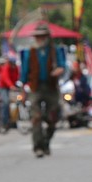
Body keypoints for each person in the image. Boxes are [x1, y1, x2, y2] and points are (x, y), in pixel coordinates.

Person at [19, 22, 67, 158]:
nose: (39, 39)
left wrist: (59, 70)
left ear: (47, 37)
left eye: (42, 36)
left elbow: (63, 66)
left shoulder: (55, 50)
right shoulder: (30, 52)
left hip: (51, 87)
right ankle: (38, 147)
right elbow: (24, 73)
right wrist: (22, 90)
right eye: (37, 37)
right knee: (36, 117)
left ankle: (46, 142)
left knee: (53, 117)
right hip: (35, 88)